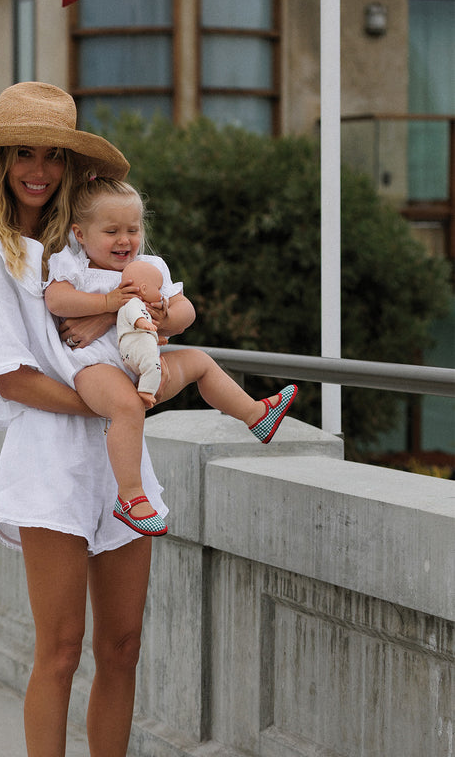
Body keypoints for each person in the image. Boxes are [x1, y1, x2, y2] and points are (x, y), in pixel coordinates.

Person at [0, 82, 181, 757]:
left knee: (123, 645)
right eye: (24, 154)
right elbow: (8, 376)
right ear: (1, 163)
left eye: (52, 154)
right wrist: (107, 398)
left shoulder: (93, 246)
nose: (38, 169)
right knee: (61, 648)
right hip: (50, 466)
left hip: (119, 462)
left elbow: (162, 316)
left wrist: (141, 351)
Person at [43, 176, 298, 536]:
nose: (124, 240)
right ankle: (130, 496)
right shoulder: (75, 267)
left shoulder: (151, 267)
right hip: (95, 366)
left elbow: (187, 311)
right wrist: (107, 302)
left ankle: (255, 414)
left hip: (148, 368)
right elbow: (56, 300)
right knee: (126, 406)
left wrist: (166, 314)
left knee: (199, 362)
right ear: (81, 234)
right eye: (111, 230)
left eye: (133, 229)